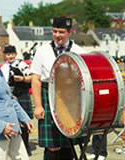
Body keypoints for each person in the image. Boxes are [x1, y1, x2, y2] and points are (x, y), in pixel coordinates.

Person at [30, 15, 86, 160]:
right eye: (55, 31)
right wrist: (38, 106)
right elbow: (35, 79)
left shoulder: (80, 52)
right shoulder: (42, 51)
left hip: (72, 99)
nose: (57, 35)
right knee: (52, 145)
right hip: (48, 95)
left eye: (61, 32)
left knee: (69, 143)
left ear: (70, 32)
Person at [0, 45, 33, 156]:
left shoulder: (22, 64)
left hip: (22, 93)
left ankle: (26, 145)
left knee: (24, 122)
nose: (10, 56)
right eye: (8, 54)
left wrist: (22, 79)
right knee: (12, 121)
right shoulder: (3, 68)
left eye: (12, 54)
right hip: (10, 94)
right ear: (5, 55)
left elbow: (30, 78)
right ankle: (15, 147)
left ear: (15, 54)